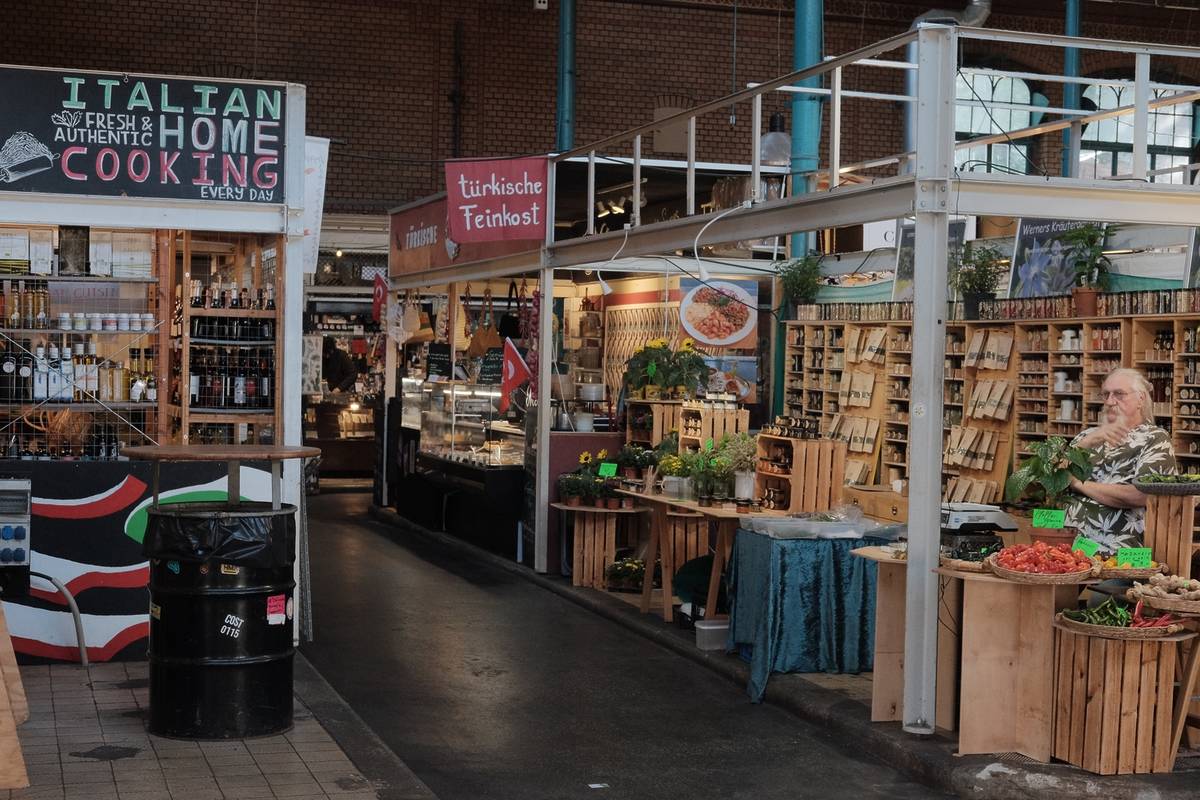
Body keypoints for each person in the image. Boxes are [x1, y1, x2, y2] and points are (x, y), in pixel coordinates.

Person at [1064, 367, 1176, 553]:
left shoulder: (1154, 439)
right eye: (1105, 394)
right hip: (1067, 549)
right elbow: (1051, 477)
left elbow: (1141, 495)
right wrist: (1087, 442)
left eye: (1119, 394)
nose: (1109, 401)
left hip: (1117, 553)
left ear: (1140, 399)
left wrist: (1078, 484)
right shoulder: (1087, 435)